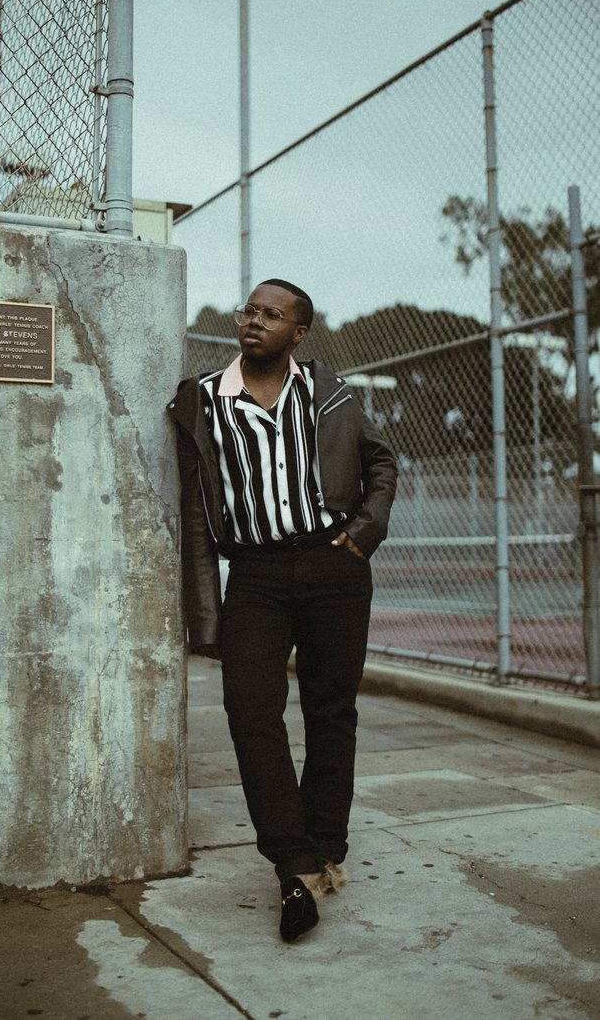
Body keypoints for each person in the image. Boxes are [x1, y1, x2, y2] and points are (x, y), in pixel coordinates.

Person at [167, 279, 397, 942]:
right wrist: (204, 610)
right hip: (257, 575)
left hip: (335, 566)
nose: (255, 321)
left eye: (272, 315)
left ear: (298, 333)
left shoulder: (329, 391)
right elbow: (194, 513)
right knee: (249, 709)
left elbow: (382, 464)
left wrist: (365, 532)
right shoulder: (202, 400)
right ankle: (292, 861)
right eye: (251, 310)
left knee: (331, 711)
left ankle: (324, 849)